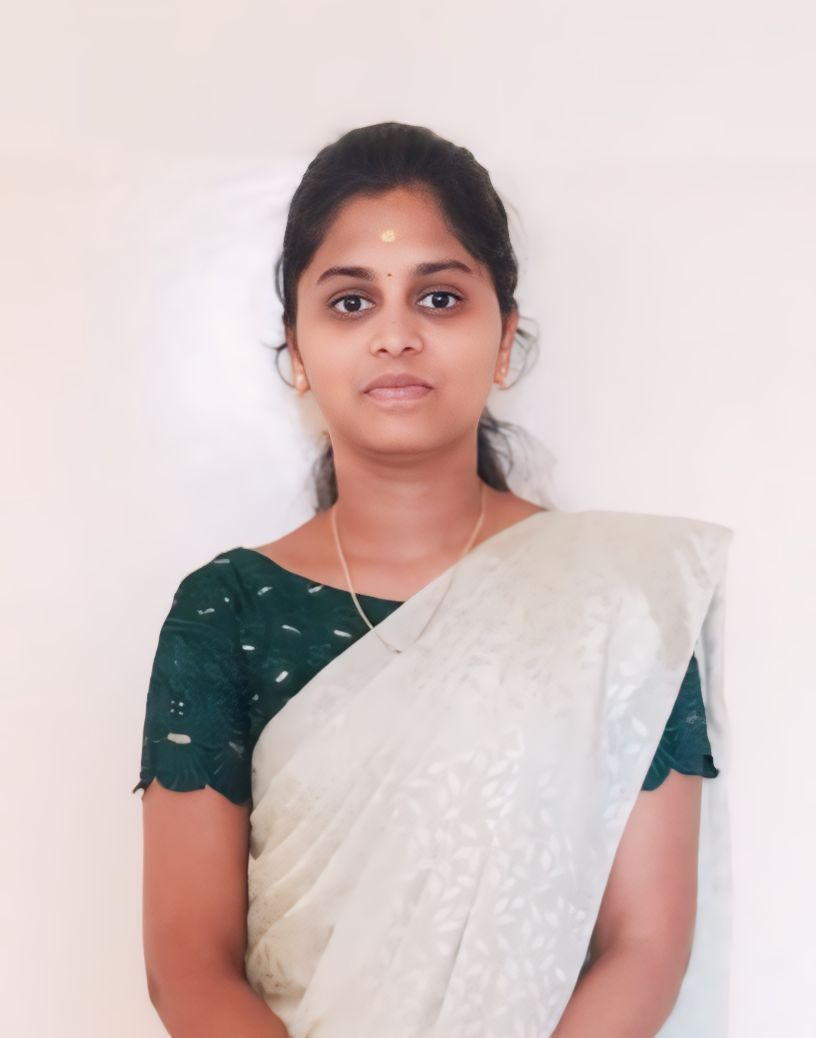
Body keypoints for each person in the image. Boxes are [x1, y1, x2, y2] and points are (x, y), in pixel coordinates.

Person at [133, 122, 733, 1038]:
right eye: (351, 303)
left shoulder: (620, 602)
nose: (396, 336)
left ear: (504, 339)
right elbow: (187, 964)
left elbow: (645, 944)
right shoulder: (229, 612)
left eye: (439, 297)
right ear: (297, 350)